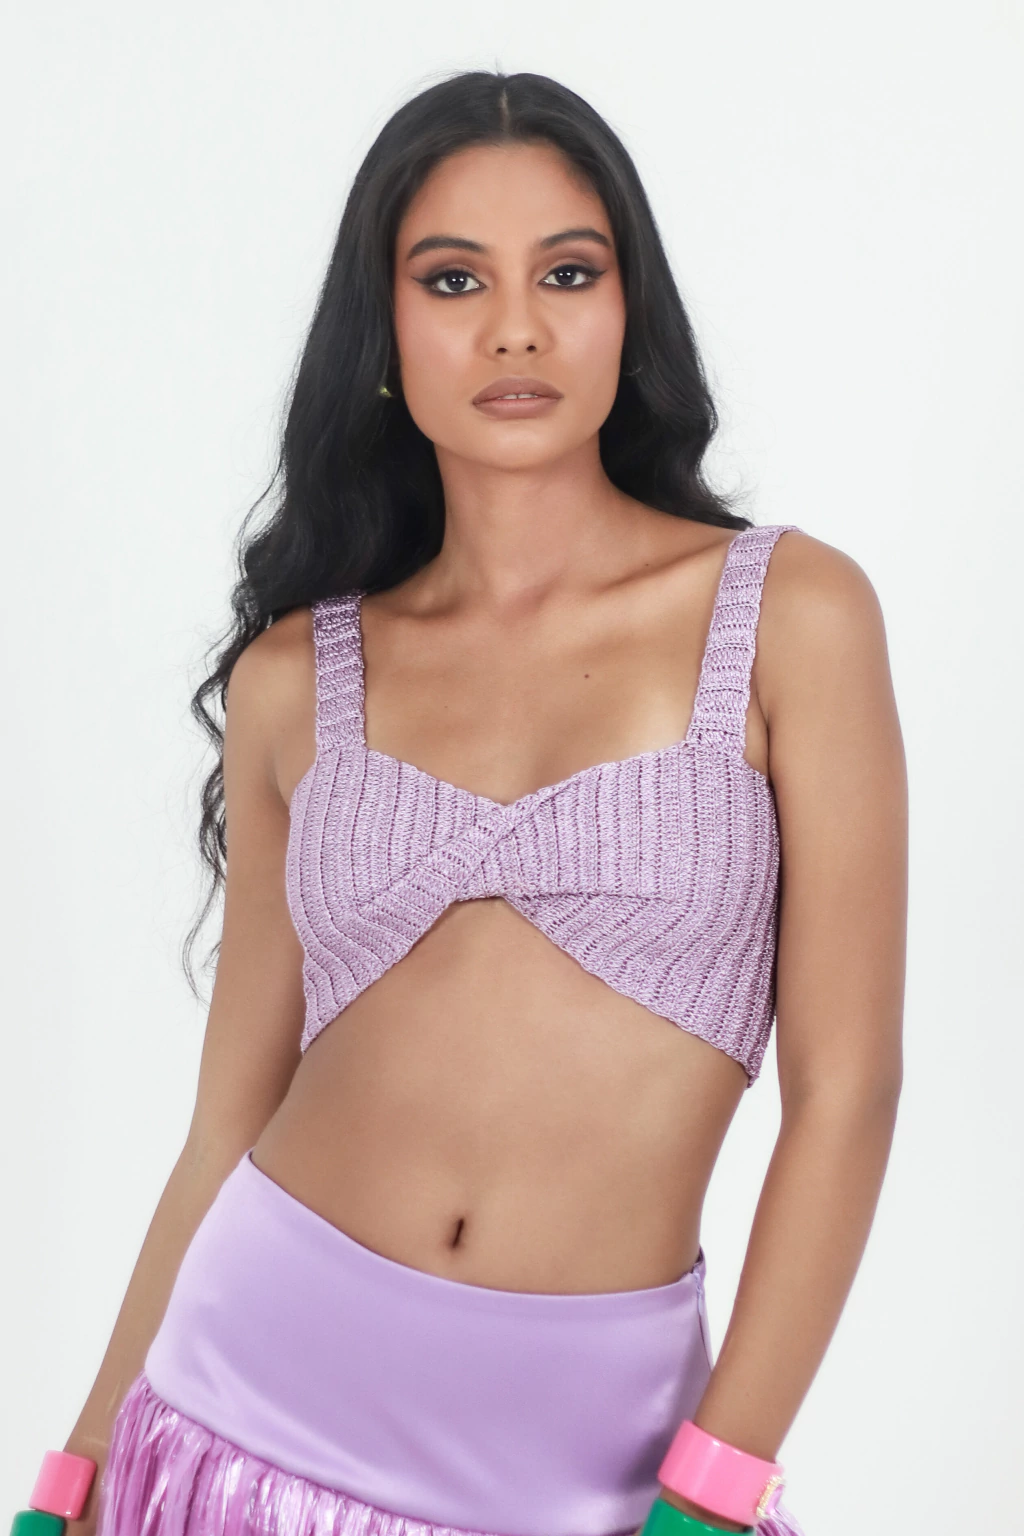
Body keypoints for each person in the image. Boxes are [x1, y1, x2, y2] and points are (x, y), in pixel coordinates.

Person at [28, 69, 907, 1536]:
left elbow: (849, 1088)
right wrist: (75, 1471)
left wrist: (717, 1480)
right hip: (244, 1418)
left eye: (568, 272)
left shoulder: (789, 616)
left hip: (591, 1476)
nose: (514, 327)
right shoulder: (297, 678)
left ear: (630, 311)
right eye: (452, 279)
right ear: (384, 332)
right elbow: (227, 1118)